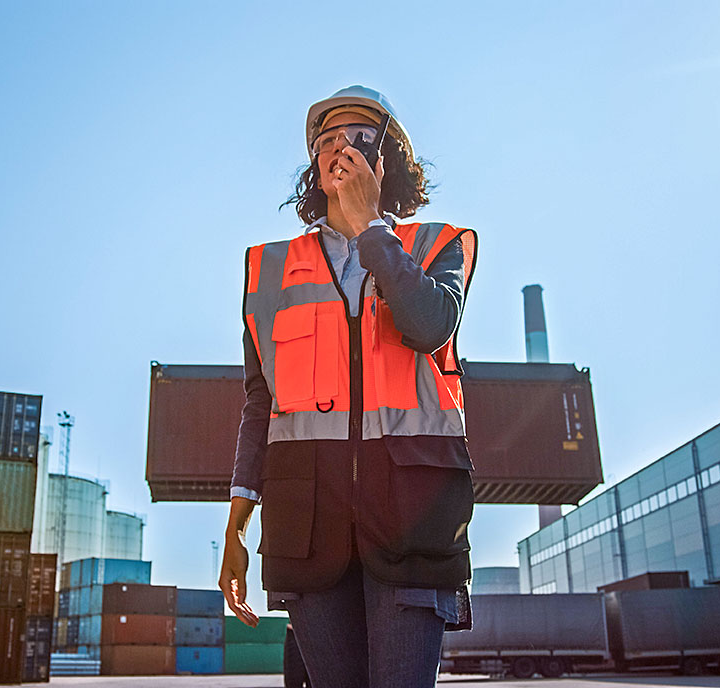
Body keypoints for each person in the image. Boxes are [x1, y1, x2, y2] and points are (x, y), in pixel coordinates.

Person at [219, 85, 478, 688]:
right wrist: (235, 528)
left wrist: (369, 226)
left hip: (415, 516)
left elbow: (427, 325)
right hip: (306, 522)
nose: (338, 150)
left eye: (357, 138)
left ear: (388, 157)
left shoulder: (438, 245)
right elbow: (261, 406)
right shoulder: (269, 266)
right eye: (326, 141)